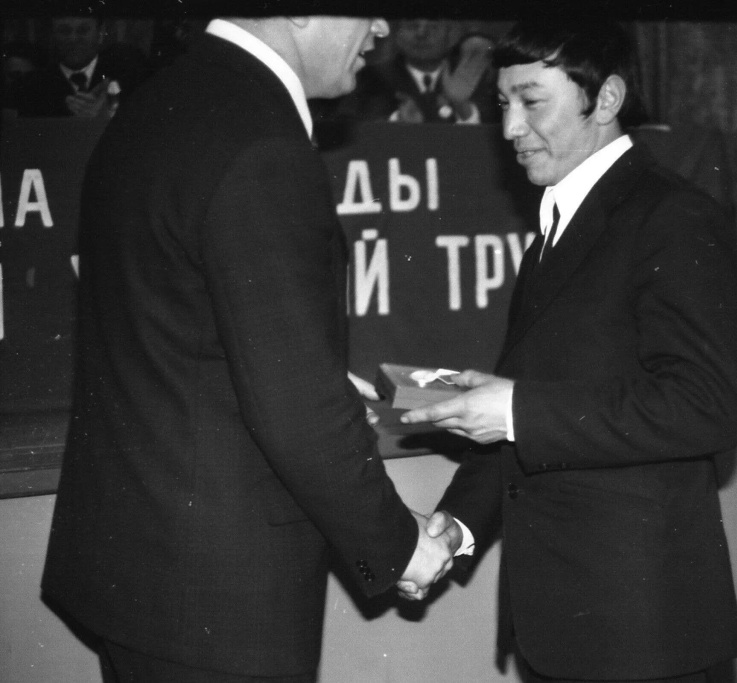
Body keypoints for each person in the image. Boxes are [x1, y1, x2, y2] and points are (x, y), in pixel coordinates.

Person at [41, 15, 456, 683]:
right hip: (215, 600)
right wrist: (400, 545)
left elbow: (179, 325)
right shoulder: (263, 141)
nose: (381, 25)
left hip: (139, 572)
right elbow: (296, 411)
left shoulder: (159, 100)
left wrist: (305, 367)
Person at [401, 17, 737, 683]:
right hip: (561, 628)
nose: (510, 128)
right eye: (502, 104)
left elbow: (707, 405)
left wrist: (515, 410)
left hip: (641, 637)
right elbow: (524, 412)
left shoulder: (673, 215)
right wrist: (455, 528)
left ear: (607, 98)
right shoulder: (555, 227)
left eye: (532, 102)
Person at [315, 18, 498, 125]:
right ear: (397, 34)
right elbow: (345, 128)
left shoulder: (473, 77)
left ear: (450, 34)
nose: (421, 34)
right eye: (412, 26)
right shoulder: (367, 78)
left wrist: (462, 107)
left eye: (433, 27)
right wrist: (396, 122)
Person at [14, 15, 147, 118]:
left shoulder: (127, 76)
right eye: (64, 31)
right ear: (53, 35)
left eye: (83, 30)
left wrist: (107, 116)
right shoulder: (32, 86)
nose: (73, 39)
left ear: (100, 33)